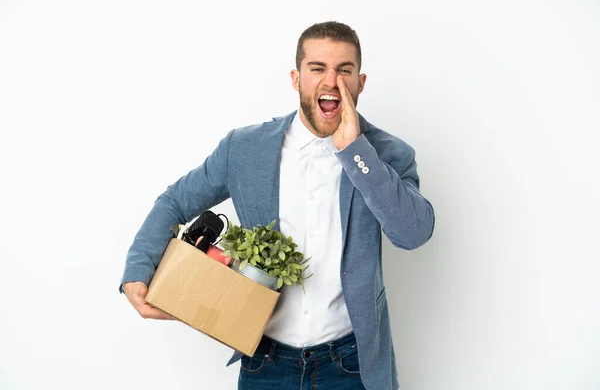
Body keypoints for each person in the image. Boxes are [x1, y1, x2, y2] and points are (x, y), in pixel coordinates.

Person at [120, 21, 435, 390]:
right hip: (265, 364)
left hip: (352, 366)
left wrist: (356, 152)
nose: (331, 81)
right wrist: (137, 270)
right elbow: (175, 201)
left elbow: (413, 233)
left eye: (343, 70)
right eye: (317, 68)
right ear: (296, 77)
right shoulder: (244, 148)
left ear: (360, 83)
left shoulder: (388, 154)